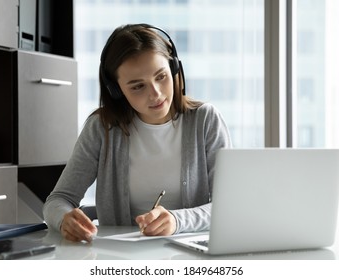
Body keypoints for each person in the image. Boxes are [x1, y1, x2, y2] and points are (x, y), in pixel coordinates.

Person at [43, 23, 232, 243]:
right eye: (137, 86)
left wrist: (177, 220)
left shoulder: (206, 120)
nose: (156, 94)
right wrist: (64, 219)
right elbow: (58, 199)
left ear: (174, 69)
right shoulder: (101, 128)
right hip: (118, 256)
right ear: (116, 91)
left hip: (188, 254)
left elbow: (227, 206)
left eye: (161, 77)